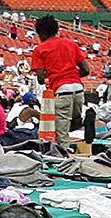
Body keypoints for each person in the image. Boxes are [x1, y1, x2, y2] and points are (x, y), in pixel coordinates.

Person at [29, 15, 88, 152]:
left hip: (61, 90)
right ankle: (84, 120)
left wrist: (54, 77)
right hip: (78, 88)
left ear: (41, 33)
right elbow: (86, 69)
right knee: (74, 121)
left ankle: (63, 161)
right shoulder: (71, 43)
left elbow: (40, 77)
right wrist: (71, 76)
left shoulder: (40, 49)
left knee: (62, 134)